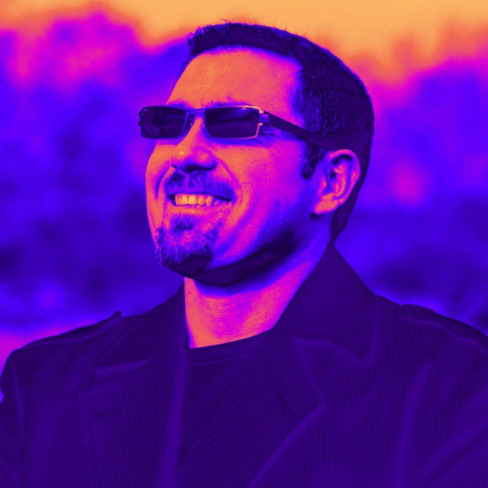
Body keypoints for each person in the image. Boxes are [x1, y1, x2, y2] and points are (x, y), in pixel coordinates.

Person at [1, 22, 488, 488]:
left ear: (330, 182)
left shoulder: (450, 387)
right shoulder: (44, 387)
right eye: (169, 124)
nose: (184, 153)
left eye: (234, 125)